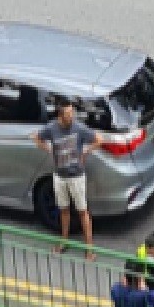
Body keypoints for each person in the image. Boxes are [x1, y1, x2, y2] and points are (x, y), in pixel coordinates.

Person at [32, 100, 104, 261]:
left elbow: (99, 139)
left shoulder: (78, 128)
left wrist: (85, 152)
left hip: (76, 176)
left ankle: (89, 249)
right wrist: (48, 149)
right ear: (60, 115)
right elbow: (37, 138)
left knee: (82, 212)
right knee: (63, 210)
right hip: (60, 176)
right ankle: (64, 241)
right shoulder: (51, 128)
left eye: (72, 112)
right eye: (68, 114)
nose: (71, 116)